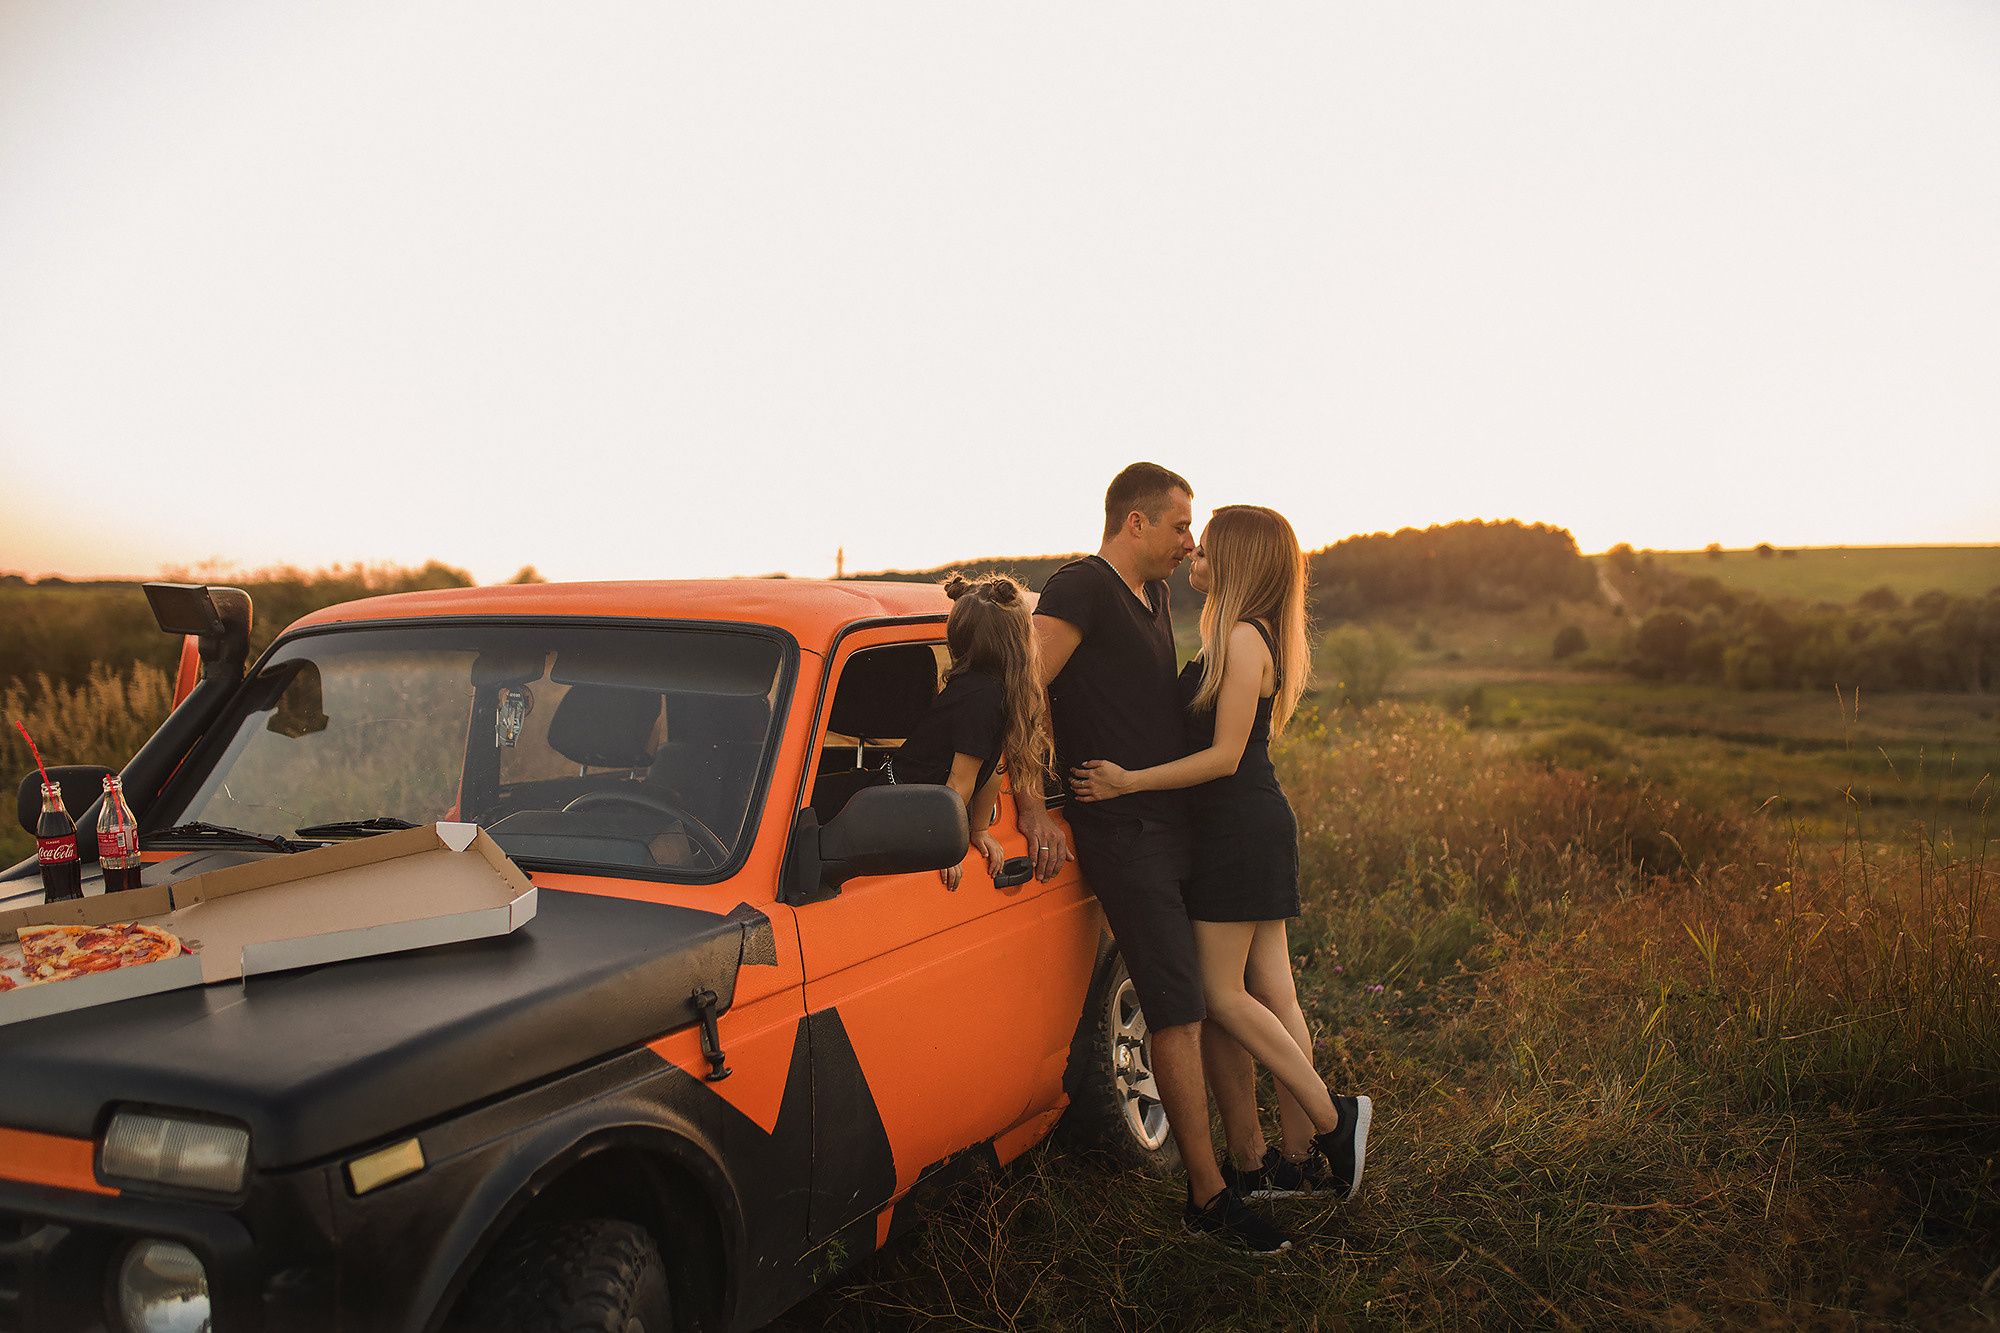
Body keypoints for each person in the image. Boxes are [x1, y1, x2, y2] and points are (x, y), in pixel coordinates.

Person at [1017, 463, 1294, 1255]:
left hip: (1179, 826)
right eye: (1179, 526)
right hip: (1122, 833)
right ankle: (1205, 1198)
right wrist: (1035, 800)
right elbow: (1025, 689)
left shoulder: (1159, 597)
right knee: (1177, 1003)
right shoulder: (1082, 587)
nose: (1190, 541)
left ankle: (1247, 1163)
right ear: (1134, 522)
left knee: (1215, 996)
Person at [1070, 504, 1372, 1202]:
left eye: (1204, 552)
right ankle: (1295, 1158)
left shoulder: (1241, 637)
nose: (1192, 558)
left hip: (1237, 828)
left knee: (1219, 993)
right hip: (1248, 825)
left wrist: (1129, 779)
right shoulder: (1242, 634)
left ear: (1235, 563)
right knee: (1275, 991)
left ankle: (1333, 1117)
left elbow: (1224, 757)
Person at [890, 572, 1048, 889]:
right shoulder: (990, 693)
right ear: (1019, 641)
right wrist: (974, 830)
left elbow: (968, 780)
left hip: (906, 809)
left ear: (959, 638)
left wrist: (952, 844)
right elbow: (986, 771)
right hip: (906, 800)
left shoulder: (983, 696)